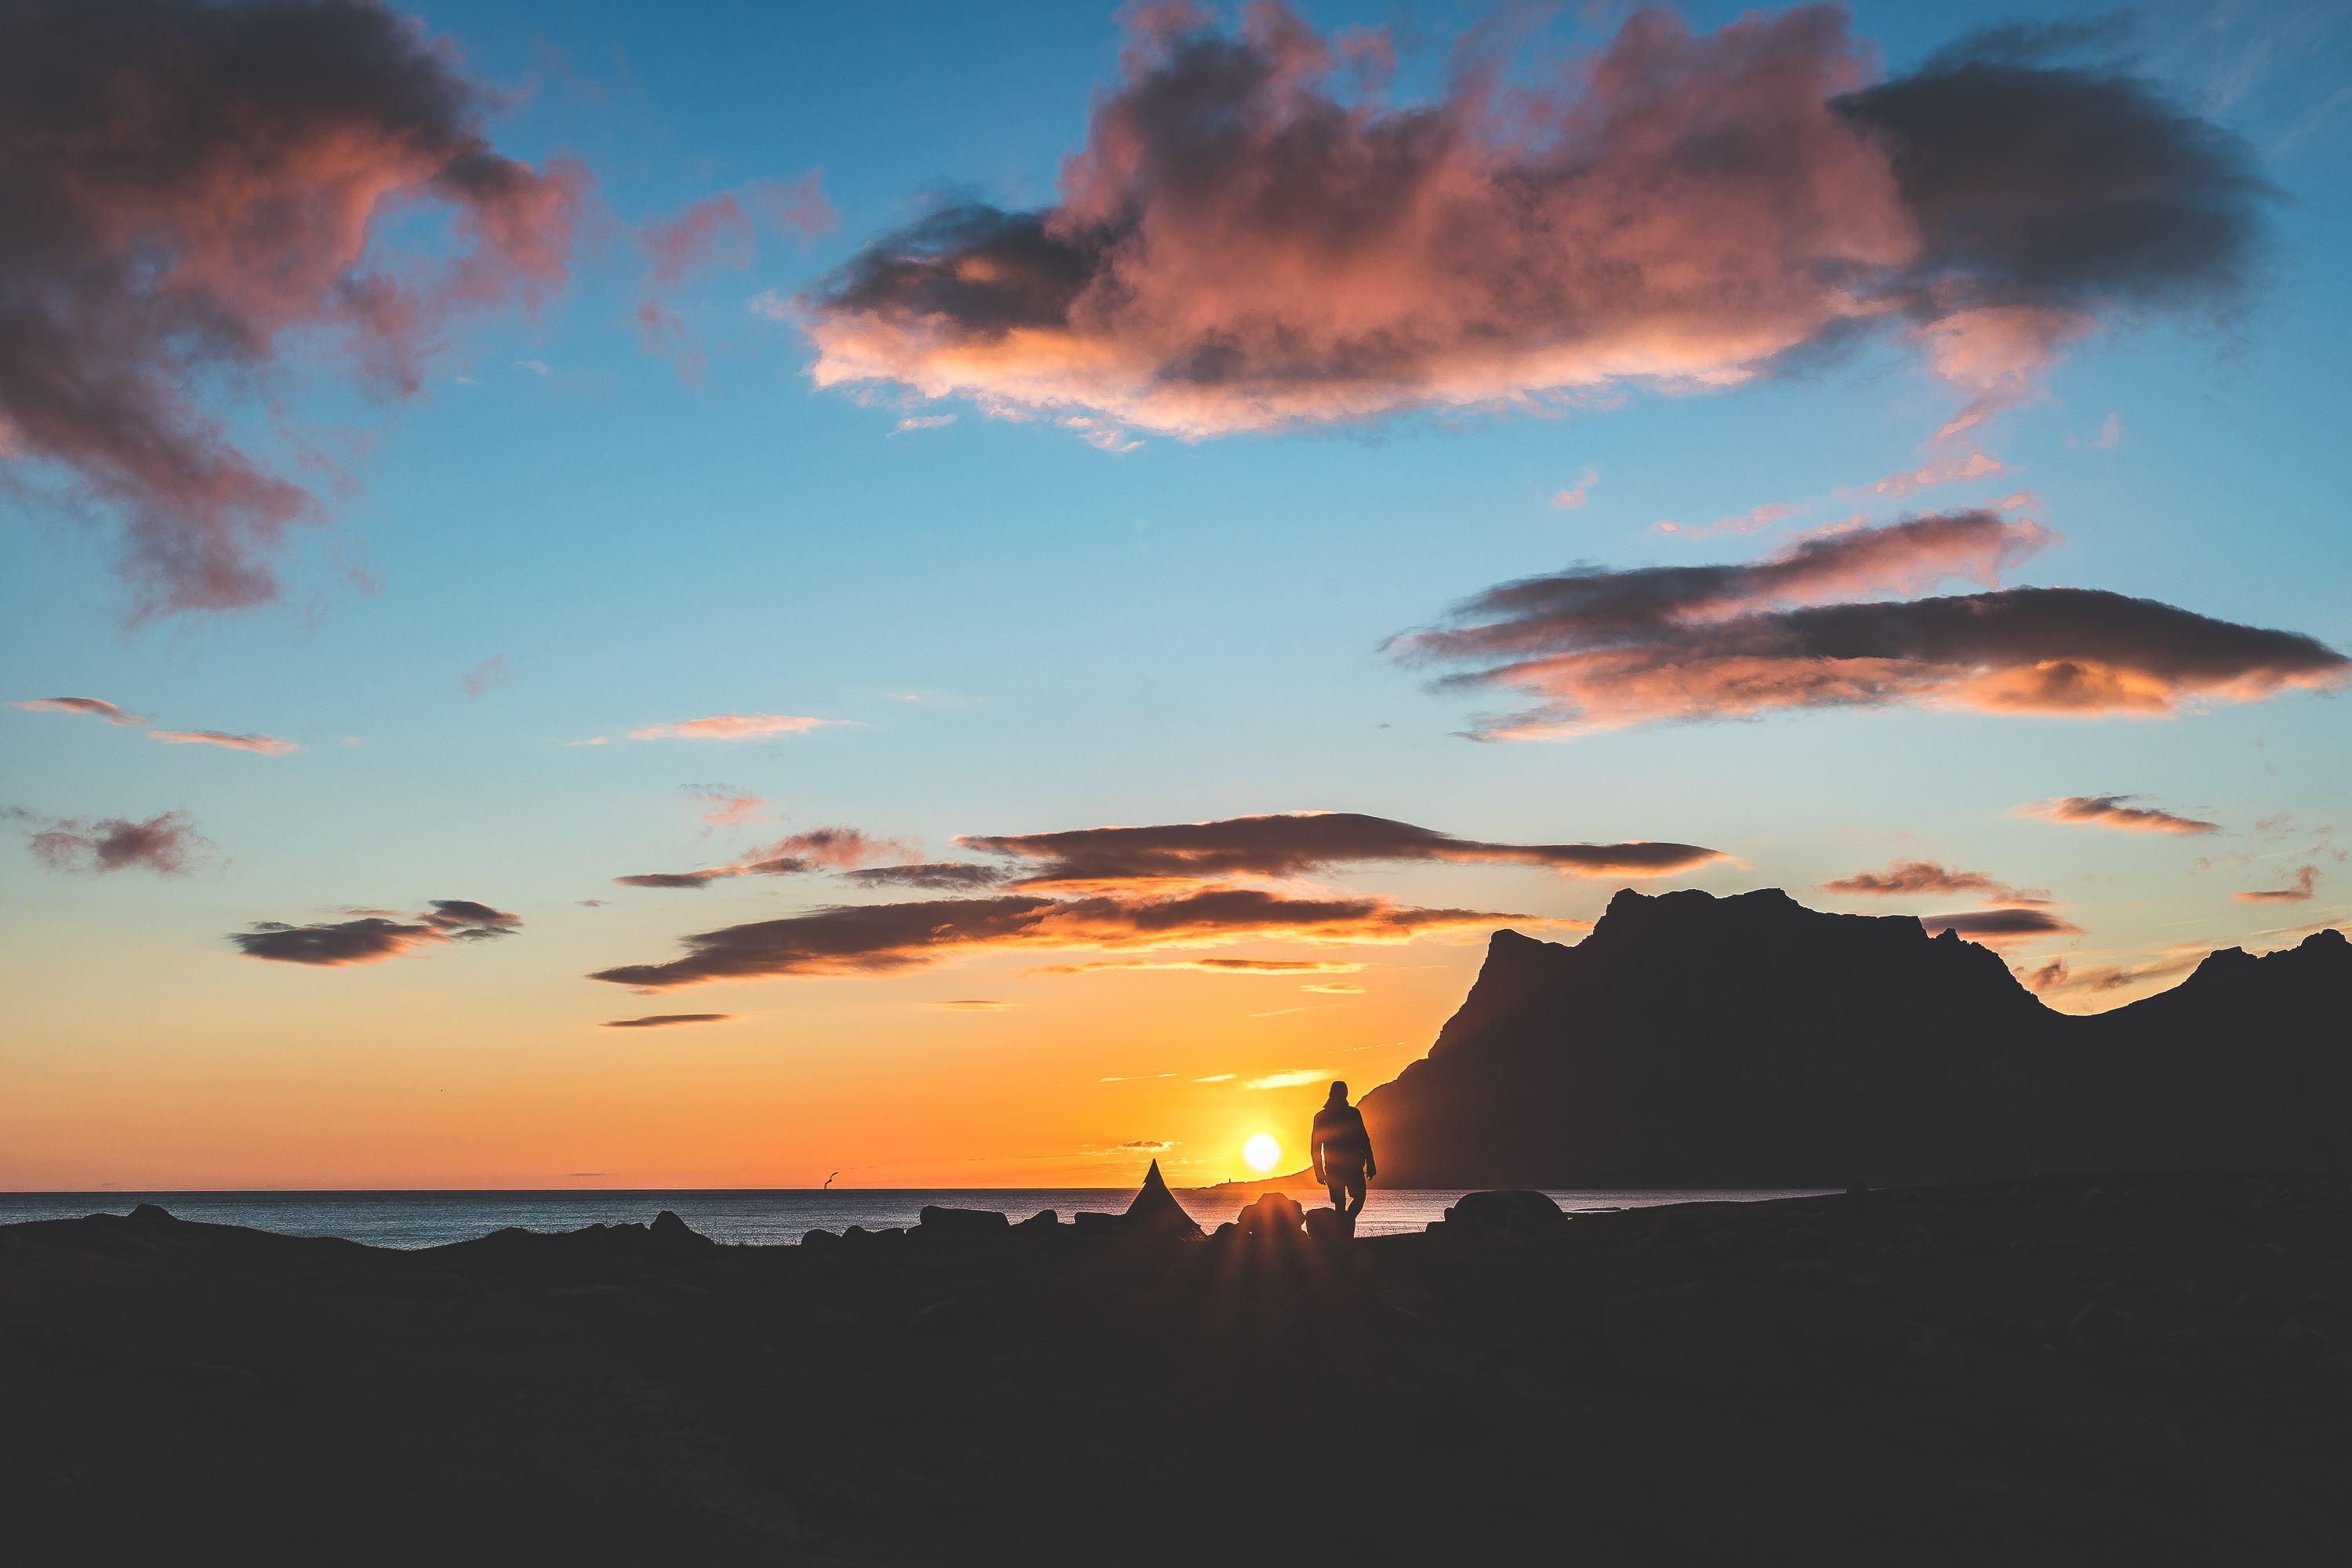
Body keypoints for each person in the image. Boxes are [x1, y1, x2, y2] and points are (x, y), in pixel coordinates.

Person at [1310, 1080, 1376, 1232]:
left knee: (1357, 1198)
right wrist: (1318, 1170)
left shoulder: (1353, 1114)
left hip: (1352, 1165)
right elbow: (1315, 1146)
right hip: (1336, 1167)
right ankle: (1345, 1235)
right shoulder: (1321, 1117)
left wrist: (1371, 1162)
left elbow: (1363, 1139)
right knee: (1340, 1202)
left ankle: (1346, 1224)